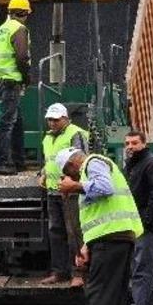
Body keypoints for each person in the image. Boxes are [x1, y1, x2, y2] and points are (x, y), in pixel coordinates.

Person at [55, 147, 144, 305]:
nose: (72, 178)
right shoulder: (94, 167)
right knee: (114, 296)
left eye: (69, 173)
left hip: (111, 240)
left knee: (100, 294)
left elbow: (105, 188)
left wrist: (76, 186)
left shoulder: (92, 163)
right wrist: (87, 245)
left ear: (73, 164)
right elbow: (98, 216)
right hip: (115, 238)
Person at [38, 103, 89, 287]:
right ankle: (59, 272)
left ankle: (79, 272)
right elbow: (50, 160)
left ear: (66, 118)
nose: (52, 123)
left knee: (74, 232)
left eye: (56, 119)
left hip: (70, 192)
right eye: (50, 119)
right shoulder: (48, 137)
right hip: (54, 190)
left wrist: (71, 184)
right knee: (55, 232)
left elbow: (80, 160)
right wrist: (43, 173)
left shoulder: (75, 133)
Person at [123, 131, 153, 305]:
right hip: (137, 223)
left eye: (134, 143)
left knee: (142, 268)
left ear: (144, 143)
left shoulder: (152, 164)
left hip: (145, 225)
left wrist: (146, 221)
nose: (130, 146)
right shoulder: (134, 164)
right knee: (144, 267)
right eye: (127, 143)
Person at [0, 0, 32, 175]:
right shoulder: (19, 29)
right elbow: (22, 57)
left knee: (16, 121)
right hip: (11, 81)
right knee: (7, 123)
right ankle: (0, 163)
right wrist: (25, 77)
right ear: (24, 12)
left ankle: (18, 160)